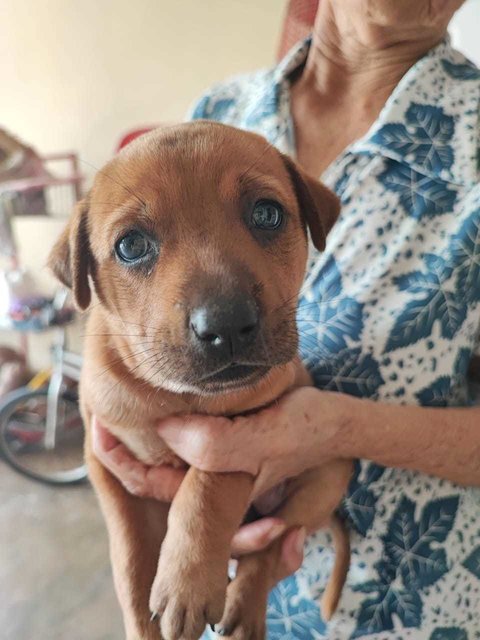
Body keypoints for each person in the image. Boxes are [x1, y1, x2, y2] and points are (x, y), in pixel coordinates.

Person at [92, 1, 480, 637]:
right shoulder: (221, 109)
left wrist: (334, 429)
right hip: (215, 601)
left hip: (411, 602)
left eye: (268, 216)